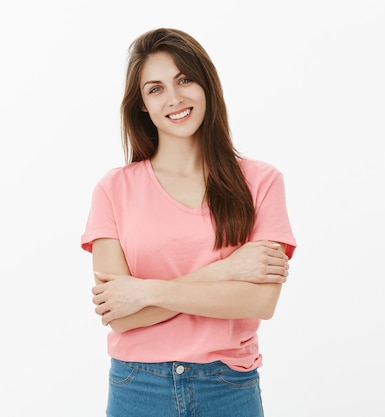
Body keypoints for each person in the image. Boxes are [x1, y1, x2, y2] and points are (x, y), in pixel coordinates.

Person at [81, 27, 296, 417]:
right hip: (137, 388)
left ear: (206, 84)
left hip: (228, 386)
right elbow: (120, 316)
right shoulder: (113, 189)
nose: (175, 98)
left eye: (184, 80)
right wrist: (227, 270)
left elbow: (260, 301)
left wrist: (145, 292)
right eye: (156, 88)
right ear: (142, 105)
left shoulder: (262, 182)